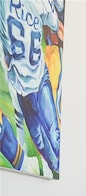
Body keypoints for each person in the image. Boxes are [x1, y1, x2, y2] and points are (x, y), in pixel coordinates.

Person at [0, 0, 64, 176]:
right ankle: (54, 167)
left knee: (53, 135)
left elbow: (53, 24)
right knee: (41, 141)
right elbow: (53, 24)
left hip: (36, 79)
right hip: (23, 87)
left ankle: (56, 166)